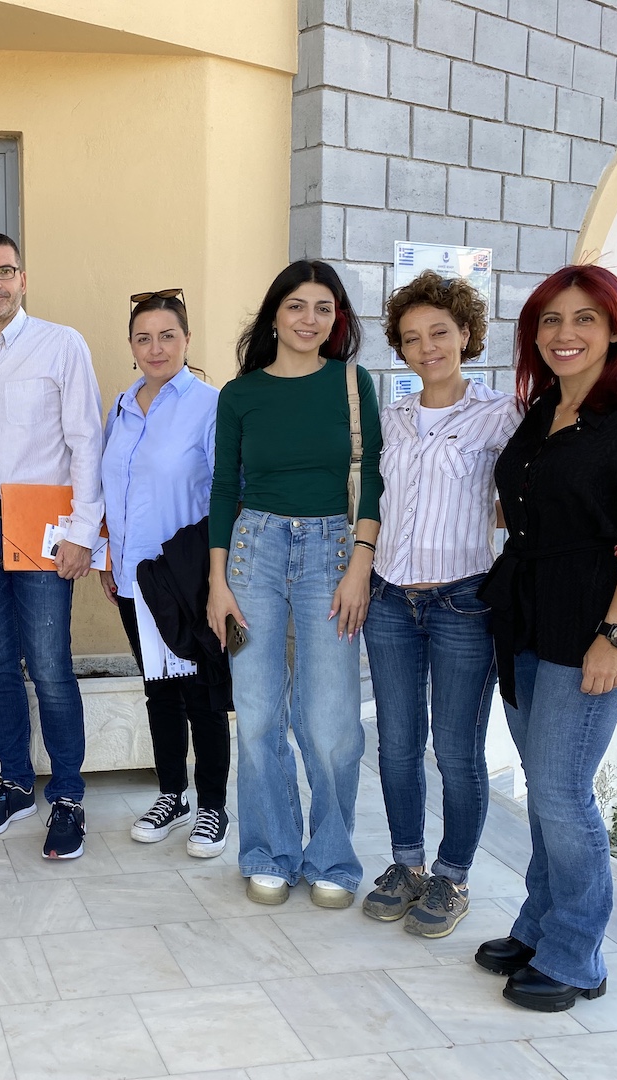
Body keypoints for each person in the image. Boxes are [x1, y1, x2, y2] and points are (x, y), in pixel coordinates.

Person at [473, 264, 617, 1012]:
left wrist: (616, 635)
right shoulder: (542, 410)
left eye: (583, 320)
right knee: (546, 791)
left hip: (596, 626)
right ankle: (539, 926)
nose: (564, 334)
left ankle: (576, 955)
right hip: (527, 617)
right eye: (550, 320)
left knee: (563, 792)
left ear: (615, 332)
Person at [207, 260, 382, 908]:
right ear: (274, 315)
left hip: (333, 553)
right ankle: (269, 851)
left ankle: (332, 856)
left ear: (337, 320)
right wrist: (217, 582)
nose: (310, 319)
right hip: (253, 552)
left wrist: (360, 564)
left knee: (331, 720)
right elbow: (222, 487)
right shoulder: (240, 394)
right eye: (297, 306)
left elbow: (373, 477)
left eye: (323, 308)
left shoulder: (351, 384)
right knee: (256, 715)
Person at [0, 231, 105, 860]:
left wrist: (83, 532)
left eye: (4, 271)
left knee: (50, 665)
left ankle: (68, 795)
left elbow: (86, 441)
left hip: (43, 527)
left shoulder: (61, 344)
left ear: (22, 279)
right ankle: (14, 784)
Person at [360, 271, 519, 938]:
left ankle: (451, 876)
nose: (427, 347)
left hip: (463, 602)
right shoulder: (392, 416)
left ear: (466, 335)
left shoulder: (501, 414)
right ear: (400, 347)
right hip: (389, 600)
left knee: (456, 750)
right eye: (412, 337)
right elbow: (375, 499)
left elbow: (531, 496)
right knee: (397, 744)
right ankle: (407, 865)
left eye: (440, 332)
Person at [99, 289, 231, 857]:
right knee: (159, 691)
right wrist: (108, 556)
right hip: (134, 578)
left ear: (187, 339)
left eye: (167, 336)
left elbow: (228, 493)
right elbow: (110, 489)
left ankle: (213, 806)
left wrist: (219, 578)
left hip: (187, 578)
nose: (156, 348)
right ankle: (172, 795)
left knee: (203, 693)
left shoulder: (210, 404)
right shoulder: (121, 407)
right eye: (144, 338)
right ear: (131, 345)